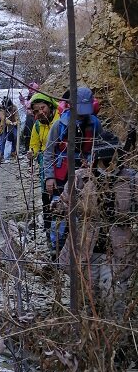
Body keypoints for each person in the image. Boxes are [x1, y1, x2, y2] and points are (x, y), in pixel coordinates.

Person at [55, 133, 137, 311]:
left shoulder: (130, 179)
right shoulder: (81, 178)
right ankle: (89, 335)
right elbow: (64, 203)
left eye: (113, 158)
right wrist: (59, 207)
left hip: (117, 251)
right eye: (105, 159)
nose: (109, 164)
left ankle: (114, 335)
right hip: (86, 249)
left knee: (114, 298)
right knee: (87, 298)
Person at [43, 87, 103, 198]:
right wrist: (49, 177)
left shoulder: (95, 124)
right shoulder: (59, 125)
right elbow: (48, 152)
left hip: (86, 172)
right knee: (59, 206)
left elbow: (100, 149)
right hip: (62, 174)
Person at [27, 92, 60, 247]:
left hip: (61, 163)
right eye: (36, 111)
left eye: (42, 108)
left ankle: (61, 232)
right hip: (44, 166)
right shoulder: (38, 126)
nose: (40, 112)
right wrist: (31, 153)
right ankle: (49, 231)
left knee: (60, 196)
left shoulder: (61, 120)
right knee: (46, 198)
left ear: (50, 106)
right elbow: (34, 145)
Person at [19, 81, 40, 153]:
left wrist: (23, 101)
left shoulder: (36, 95)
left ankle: (34, 148)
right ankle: (27, 148)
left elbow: (29, 105)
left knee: (34, 131)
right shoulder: (30, 95)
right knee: (28, 132)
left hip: (34, 116)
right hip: (29, 116)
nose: (29, 89)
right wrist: (23, 101)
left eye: (31, 88)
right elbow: (26, 106)